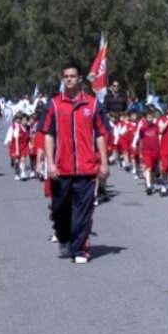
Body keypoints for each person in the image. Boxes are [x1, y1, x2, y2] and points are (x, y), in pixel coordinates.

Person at [41, 62, 110, 264]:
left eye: (72, 76)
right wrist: (50, 163)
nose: (69, 79)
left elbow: (101, 134)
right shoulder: (53, 105)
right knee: (59, 210)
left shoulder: (93, 105)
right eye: (66, 76)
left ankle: (79, 249)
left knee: (82, 211)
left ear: (80, 79)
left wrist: (104, 162)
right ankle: (63, 237)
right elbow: (47, 135)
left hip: (86, 169)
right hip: (61, 169)